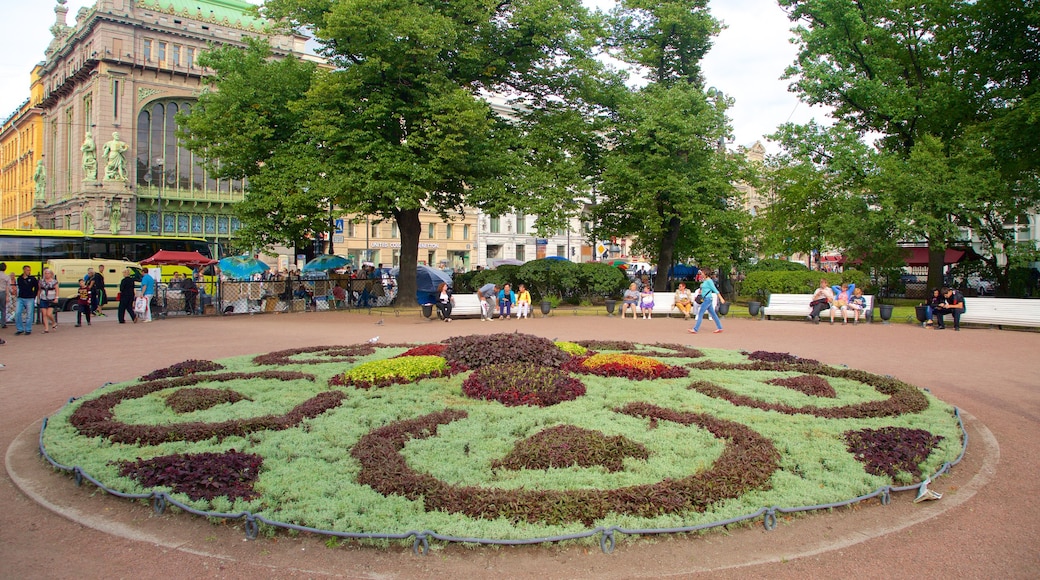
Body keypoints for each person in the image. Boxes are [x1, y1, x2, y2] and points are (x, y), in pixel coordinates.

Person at [14, 266, 38, 335]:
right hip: (21, 298)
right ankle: (20, 329)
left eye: (29, 270)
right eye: (27, 270)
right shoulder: (19, 278)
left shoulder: (33, 279)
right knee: (17, 313)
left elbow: (36, 287)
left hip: (29, 298)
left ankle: (28, 329)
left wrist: (34, 295)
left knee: (29, 314)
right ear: (24, 270)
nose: (29, 271)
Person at [38, 268, 59, 333]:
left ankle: (53, 322)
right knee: (44, 314)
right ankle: (46, 328)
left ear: (51, 274)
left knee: (49, 314)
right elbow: (39, 290)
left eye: (48, 273)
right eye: (46, 273)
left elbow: (57, 290)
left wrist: (56, 298)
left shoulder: (54, 281)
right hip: (43, 298)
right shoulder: (41, 281)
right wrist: (38, 298)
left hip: (51, 299)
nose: (47, 275)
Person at [0, 263, 9, 329]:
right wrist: (7, 296)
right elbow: (7, 287)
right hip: (2, 293)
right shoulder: (6, 276)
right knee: (3, 309)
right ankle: (3, 323)